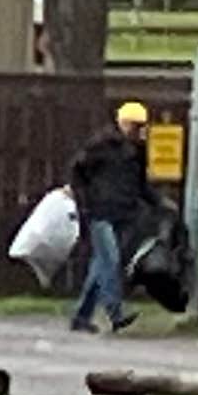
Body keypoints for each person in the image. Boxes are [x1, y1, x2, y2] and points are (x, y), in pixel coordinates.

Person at [67, 98, 157, 332]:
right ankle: (115, 312)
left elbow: (140, 182)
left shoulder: (137, 150)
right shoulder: (101, 145)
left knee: (101, 266)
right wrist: (83, 201)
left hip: (124, 211)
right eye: (135, 126)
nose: (139, 131)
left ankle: (81, 316)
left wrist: (155, 202)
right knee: (110, 261)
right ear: (124, 124)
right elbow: (78, 171)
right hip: (100, 211)